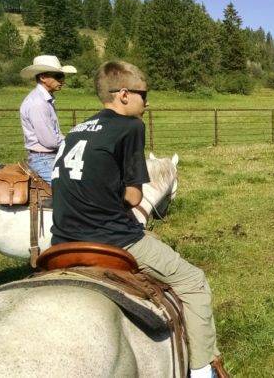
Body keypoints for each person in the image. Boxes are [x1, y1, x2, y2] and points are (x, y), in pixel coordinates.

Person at [50, 61, 228, 378]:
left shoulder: (76, 130)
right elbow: (133, 198)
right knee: (194, 281)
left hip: (62, 240)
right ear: (123, 94)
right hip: (113, 239)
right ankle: (203, 371)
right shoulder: (130, 127)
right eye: (144, 95)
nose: (148, 102)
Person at [19, 55, 77, 184]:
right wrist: (73, 142)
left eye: (62, 76)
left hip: (47, 157)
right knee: (70, 190)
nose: (62, 81)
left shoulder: (43, 99)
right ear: (43, 77)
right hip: (44, 160)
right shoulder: (38, 103)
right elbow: (49, 141)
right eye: (58, 76)